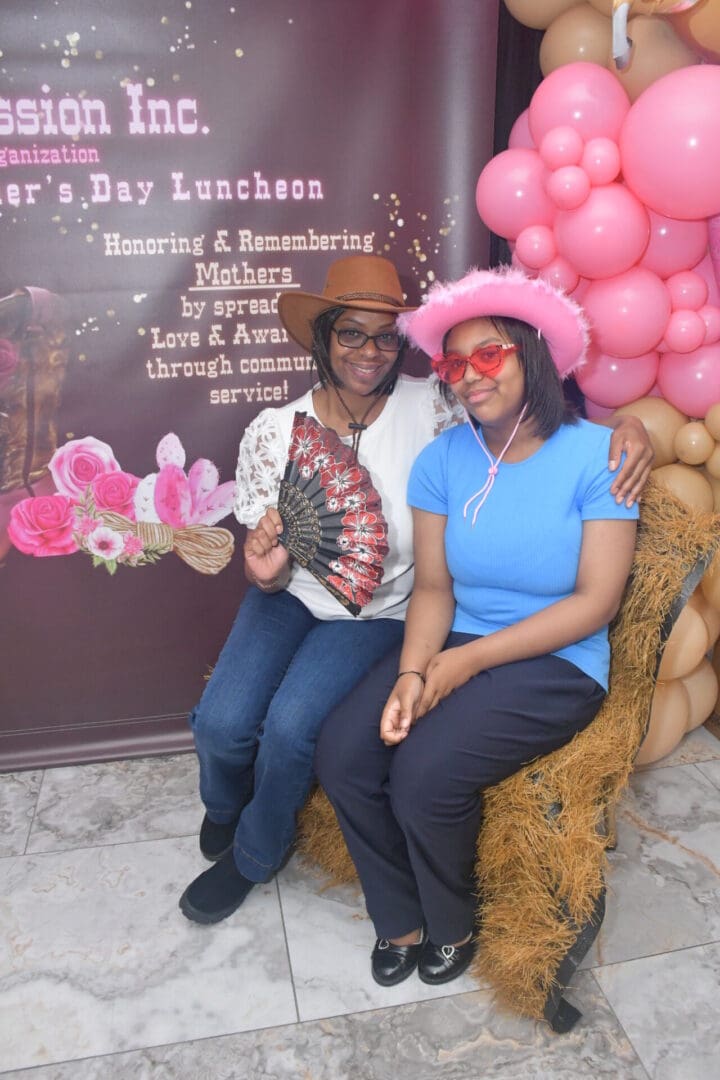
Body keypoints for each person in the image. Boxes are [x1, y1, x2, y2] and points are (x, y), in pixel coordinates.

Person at [179, 255, 650, 926]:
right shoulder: (277, 430)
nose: (368, 351)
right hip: (291, 596)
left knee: (293, 728)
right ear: (324, 339)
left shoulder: (436, 407)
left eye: (384, 336)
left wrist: (637, 426)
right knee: (223, 725)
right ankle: (227, 804)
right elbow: (269, 562)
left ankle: (256, 854)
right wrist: (266, 571)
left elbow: (538, 427)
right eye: (350, 333)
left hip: (376, 612)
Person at [314, 266, 639, 989]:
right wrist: (412, 672)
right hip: (458, 639)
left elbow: (596, 604)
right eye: (454, 364)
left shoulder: (599, 456)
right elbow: (433, 588)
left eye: (488, 355)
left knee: (425, 778)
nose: (468, 376)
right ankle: (398, 915)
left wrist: (463, 666)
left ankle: (452, 922)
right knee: (342, 750)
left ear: (533, 354)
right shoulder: (443, 461)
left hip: (557, 661)